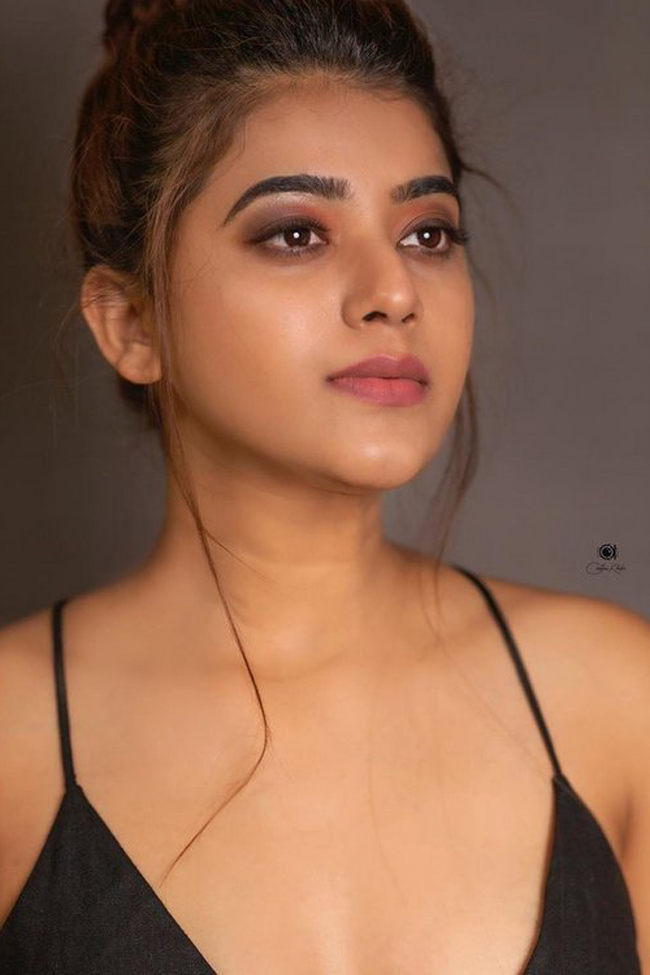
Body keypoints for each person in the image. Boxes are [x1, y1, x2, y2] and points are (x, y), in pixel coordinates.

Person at [0, 0, 648, 972]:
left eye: (427, 233)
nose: (394, 291)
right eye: (297, 234)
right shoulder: (10, 744)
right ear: (131, 324)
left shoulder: (614, 700)